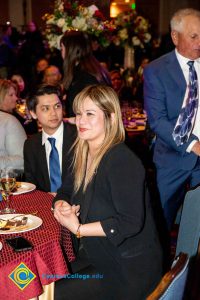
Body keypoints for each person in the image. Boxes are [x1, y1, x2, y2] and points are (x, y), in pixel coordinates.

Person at [52, 85, 163, 300]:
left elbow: (129, 223)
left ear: (111, 117)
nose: (81, 121)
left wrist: (79, 228)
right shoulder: (82, 152)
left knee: (52, 293)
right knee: (40, 280)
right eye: (78, 113)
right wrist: (60, 204)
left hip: (127, 267)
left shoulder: (122, 161)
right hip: (97, 253)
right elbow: (65, 190)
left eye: (90, 114)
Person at [143, 8, 200, 229]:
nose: (199, 42)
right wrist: (193, 145)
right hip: (172, 159)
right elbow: (158, 121)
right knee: (161, 223)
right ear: (175, 37)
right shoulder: (156, 71)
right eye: (193, 36)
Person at [23, 84, 76, 193]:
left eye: (57, 106)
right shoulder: (31, 145)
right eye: (45, 108)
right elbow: (31, 186)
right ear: (33, 113)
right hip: (45, 204)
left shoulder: (78, 137)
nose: (53, 113)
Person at [60, 30, 111, 117]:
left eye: (62, 49)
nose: (61, 53)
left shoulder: (82, 76)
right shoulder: (94, 69)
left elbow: (81, 114)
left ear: (70, 50)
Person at [0, 79, 26, 169]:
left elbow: (23, 158)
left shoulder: (10, 120)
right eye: (11, 95)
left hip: (7, 179)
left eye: (15, 94)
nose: (16, 98)